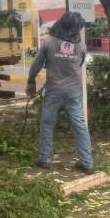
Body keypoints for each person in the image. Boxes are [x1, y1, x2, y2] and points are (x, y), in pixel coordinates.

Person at [27, 12, 94, 174]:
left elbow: (36, 64)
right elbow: (80, 62)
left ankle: (45, 159)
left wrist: (31, 81)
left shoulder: (49, 42)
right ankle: (87, 163)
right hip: (73, 92)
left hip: (53, 91)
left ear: (60, 23)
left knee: (47, 123)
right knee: (79, 126)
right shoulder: (81, 45)